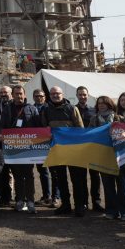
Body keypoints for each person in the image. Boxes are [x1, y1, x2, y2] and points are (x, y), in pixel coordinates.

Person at [41, 86, 87, 217]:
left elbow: (80, 128)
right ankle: (65, 205)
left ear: (62, 94)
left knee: (76, 179)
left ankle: (79, 206)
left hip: (72, 149)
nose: (55, 95)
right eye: (53, 93)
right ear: (50, 95)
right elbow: (45, 129)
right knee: (60, 179)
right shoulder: (45, 110)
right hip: (56, 150)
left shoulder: (72, 108)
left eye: (58, 93)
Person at [91, 96, 125, 221]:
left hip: (120, 157)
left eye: (104, 103)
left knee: (123, 186)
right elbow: (89, 136)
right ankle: (111, 211)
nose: (101, 105)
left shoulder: (119, 118)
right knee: (108, 186)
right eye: (99, 104)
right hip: (103, 157)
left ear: (110, 104)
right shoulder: (94, 119)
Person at [0, 85, 40, 213]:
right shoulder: (7, 109)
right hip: (13, 147)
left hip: (28, 147)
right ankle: (19, 200)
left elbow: (39, 127)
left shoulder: (32, 109)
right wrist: (1, 134)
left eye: (21, 93)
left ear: (24, 94)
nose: (19, 96)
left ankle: (30, 201)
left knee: (28, 175)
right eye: (16, 94)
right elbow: (3, 125)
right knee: (17, 175)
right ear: (13, 95)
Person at [76, 86, 103, 212]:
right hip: (79, 149)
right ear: (77, 95)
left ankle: (96, 202)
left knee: (95, 177)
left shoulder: (94, 111)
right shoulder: (73, 109)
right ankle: (83, 202)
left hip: (93, 148)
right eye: (80, 94)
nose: (82, 96)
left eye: (84, 94)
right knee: (80, 178)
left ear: (88, 95)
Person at [32, 89, 54, 205]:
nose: (38, 98)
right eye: (36, 96)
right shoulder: (30, 108)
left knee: (53, 171)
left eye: (40, 96)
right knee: (42, 171)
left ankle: (53, 196)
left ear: (44, 97)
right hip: (36, 144)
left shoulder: (49, 108)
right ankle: (46, 195)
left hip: (49, 143)